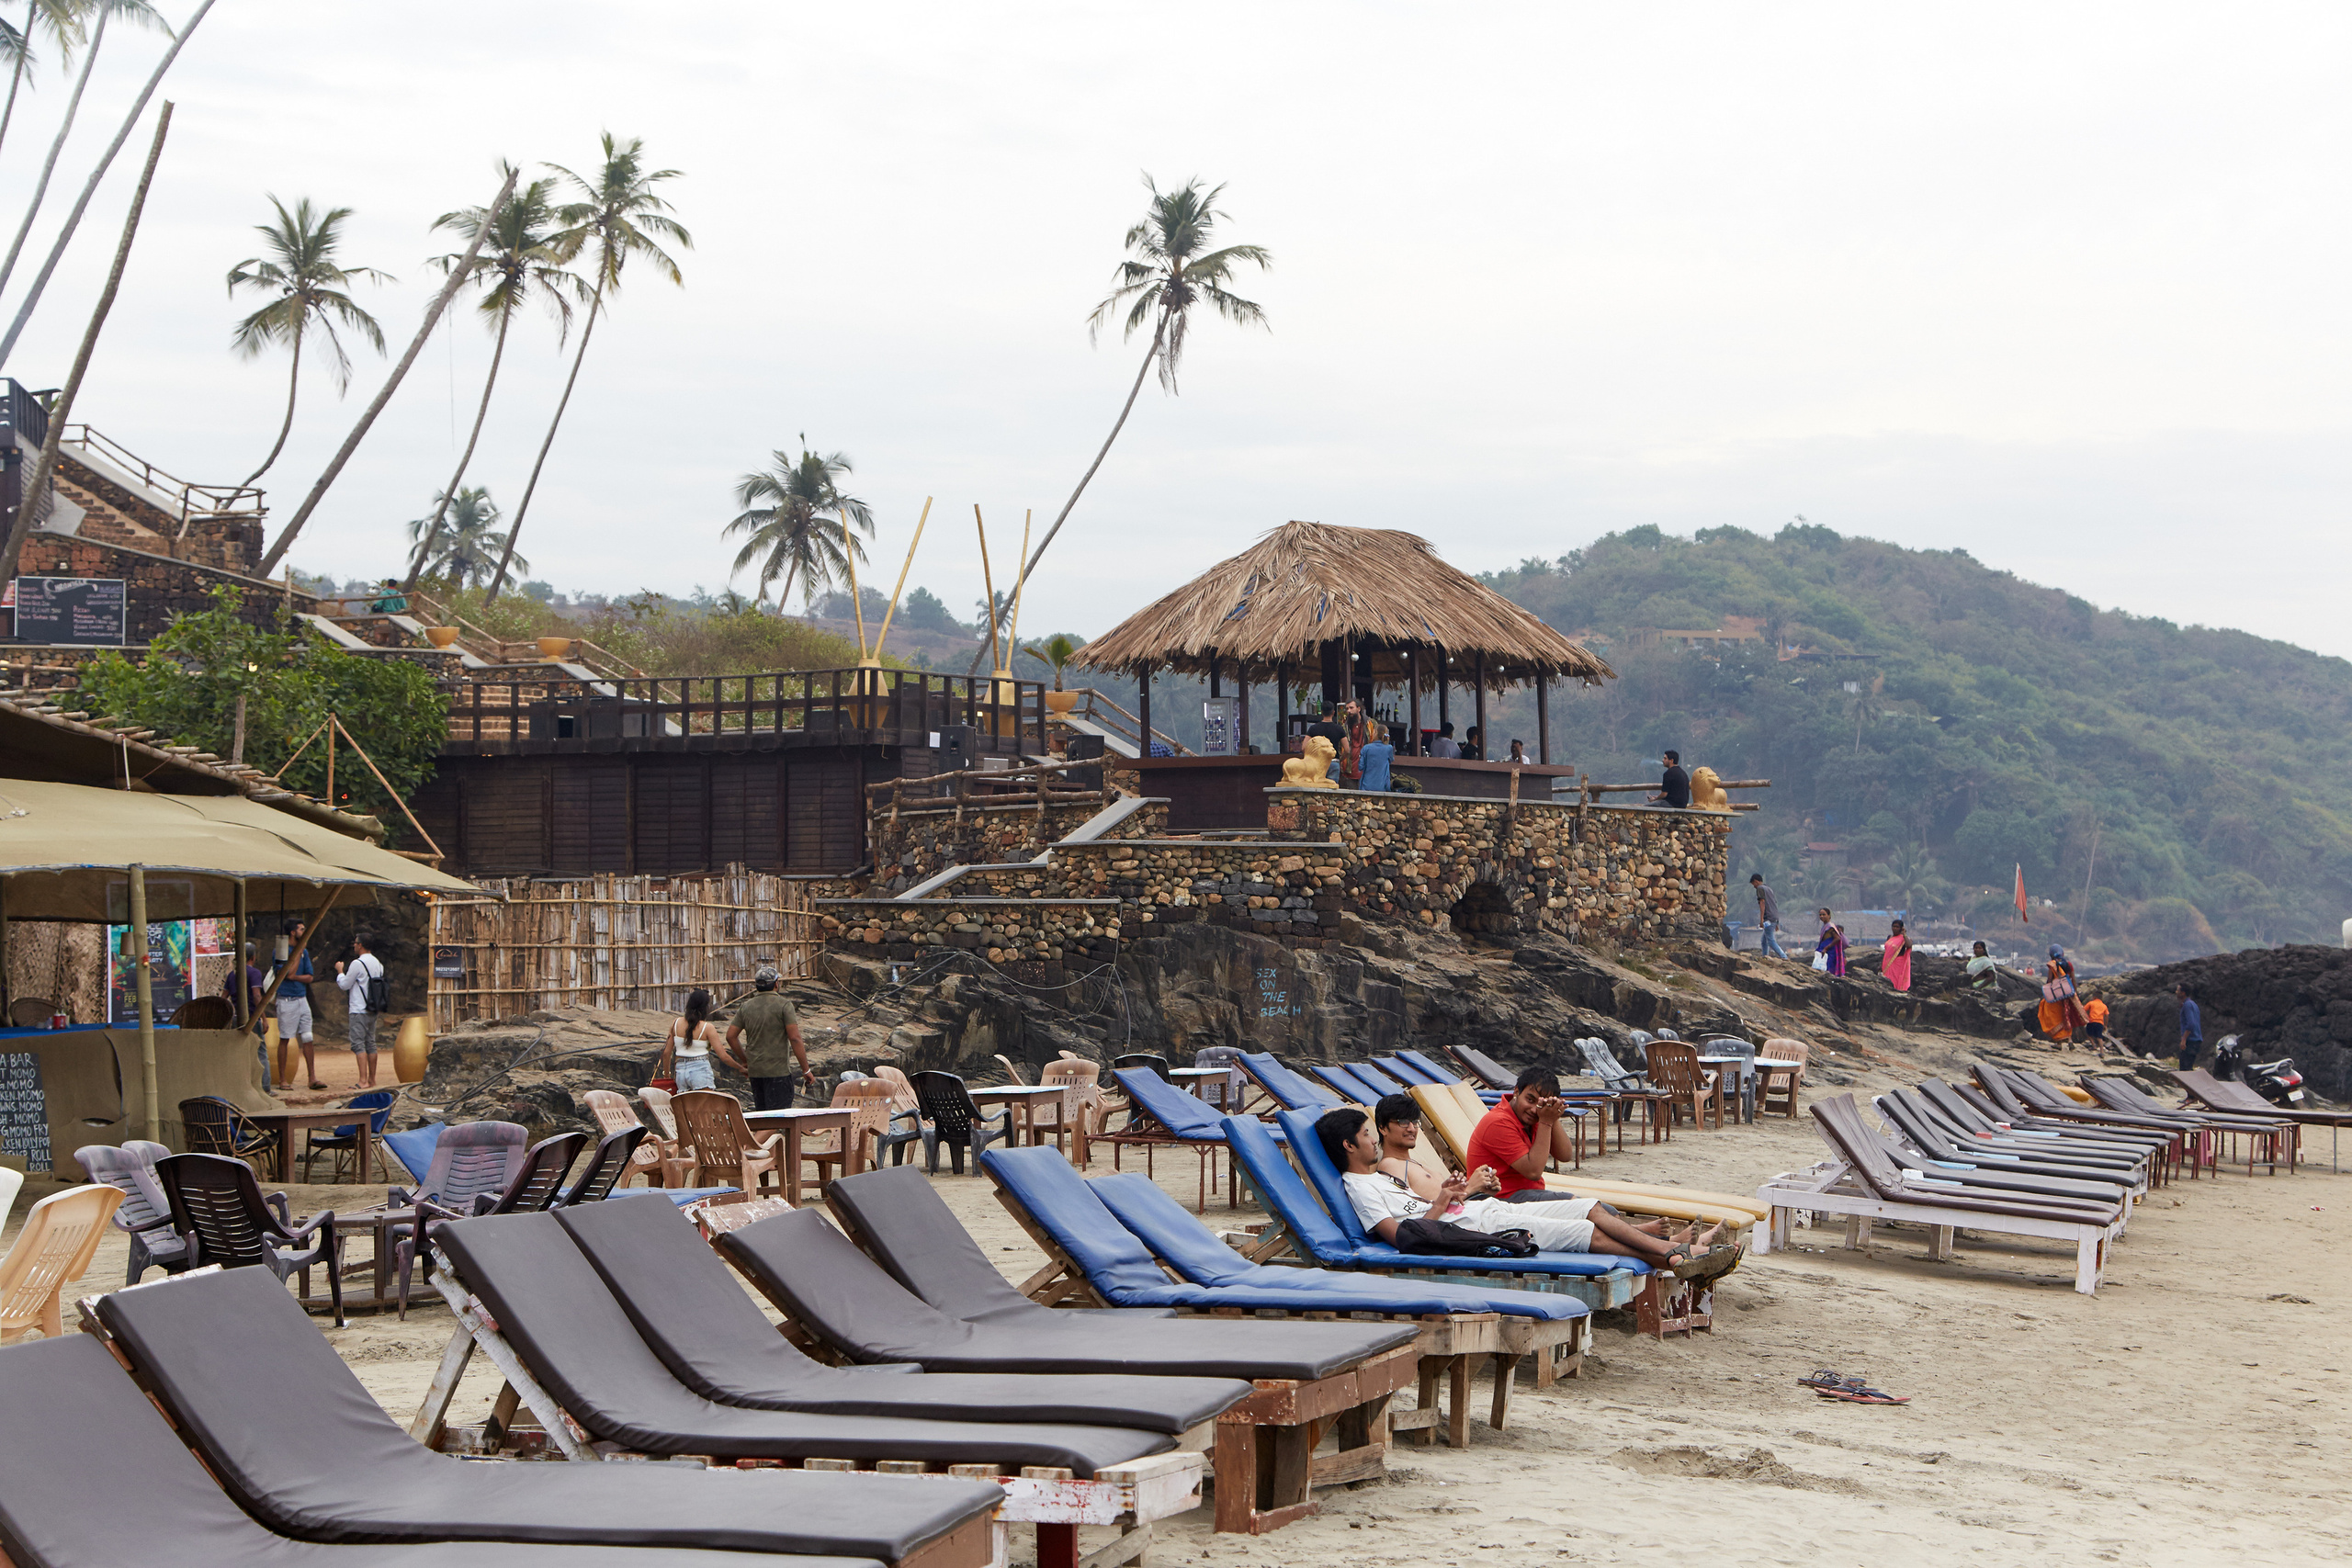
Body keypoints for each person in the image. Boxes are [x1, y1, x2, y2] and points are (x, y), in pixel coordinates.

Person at [1318, 1106, 1726, 1271]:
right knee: (1588, 1233)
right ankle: (1676, 1255)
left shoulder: (1379, 1177)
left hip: (1487, 1213)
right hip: (1484, 1229)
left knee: (1592, 1208)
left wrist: (1455, 1194)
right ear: (1349, 1146)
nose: (1374, 1140)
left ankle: (1675, 1254)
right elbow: (1404, 1238)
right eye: (1368, 1135)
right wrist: (1444, 1201)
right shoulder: (1360, 1188)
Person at [1464, 1066, 1584, 1194]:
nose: (1533, 1109)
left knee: (1595, 1207)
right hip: (1501, 1199)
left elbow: (1564, 1155)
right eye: (1530, 1100)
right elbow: (1533, 1172)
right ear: (1516, 1092)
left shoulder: (1534, 1117)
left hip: (1525, 1195)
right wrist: (1546, 1121)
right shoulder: (1499, 1121)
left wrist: (1551, 1115)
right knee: (1590, 1209)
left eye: (1541, 1104)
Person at [727, 966, 809, 1111]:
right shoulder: (784, 1005)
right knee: (779, 1118)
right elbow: (795, 1038)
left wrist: (745, 1060)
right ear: (776, 984)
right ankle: (754, 1136)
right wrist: (806, 1070)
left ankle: (758, 1135)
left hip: (756, 1072)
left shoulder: (746, 1007)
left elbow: (730, 1036)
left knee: (763, 1116)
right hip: (778, 1071)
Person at [333, 932, 386, 1089]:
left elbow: (345, 985)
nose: (354, 945)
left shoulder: (357, 963)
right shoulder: (378, 964)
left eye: (356, 943)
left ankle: (362, 1080)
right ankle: (372, 1079)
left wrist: (340, 971)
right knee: (371, 1043)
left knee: (358, 1044)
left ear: (361, 945)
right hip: (373, 1008)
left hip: (358, 1008)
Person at [277, 919, 322, 1089]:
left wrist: (295, 977)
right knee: (285, 1038)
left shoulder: (305, 952)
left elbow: (309, 976)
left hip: (302, 999)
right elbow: (288, 971)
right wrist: (297, 954)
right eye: (301, 930)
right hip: (287, 999)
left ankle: (312, 1077)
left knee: (308, 1037)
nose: (304, 932)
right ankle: (282, 1079)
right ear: (293, 933)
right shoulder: (282, 950)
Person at [660, 987, 730, 1092]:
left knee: (687, 1107)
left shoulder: (676, 1023)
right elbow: (721, 1055)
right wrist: (740, 1067)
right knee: (705, 1106)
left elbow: (666, 1053)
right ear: (705, 1007)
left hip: (681, 1072)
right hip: (700, 1069)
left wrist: (667, 1075)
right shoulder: (707, 1027)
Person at [2037, 945, 2083, 1043]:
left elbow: (2049, 980)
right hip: (2067, 993)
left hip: (2056, 995)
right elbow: (2073, 980)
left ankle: (2059, 1043)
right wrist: (2075, 993)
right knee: (2066, 1015)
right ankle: (2070, 1040)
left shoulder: (2052, 964)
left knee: (2055, 1017)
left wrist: (2046, 993)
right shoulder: (2069, 964)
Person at [1748, 873, 1788, 959]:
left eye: (1753, 884)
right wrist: (1777, 922)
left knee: (1770, 940)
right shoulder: (1769, 889)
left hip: (1768, 918)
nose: (1754, 886)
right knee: (1764, 940)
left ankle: (1784, 956)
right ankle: (1765, 956)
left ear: (1756, 881)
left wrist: (1761, 919)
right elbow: (1774, 904)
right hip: (1774, 917)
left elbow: (1762, 903)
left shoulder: (1760, 888)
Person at [1356, 721, 1395, 794]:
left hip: (1366, 786)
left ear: (1375, 734)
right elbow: (1391, 759)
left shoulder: (1366, 748)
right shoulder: (1389, 748)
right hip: (1382, 786)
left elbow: (1360, 766)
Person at [2176, 983, 2203, 1070]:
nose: (2176, 992)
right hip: (2195, 1041)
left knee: (2185, 1069)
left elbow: (2191, 1024)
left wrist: (2184, 1039)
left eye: (2178, 990)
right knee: (2188, 1067)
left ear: (2183, 993)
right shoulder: (2192, 1004)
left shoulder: (2187, 1005)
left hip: (2191, 1041)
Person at [1881, 918, 1913, 992]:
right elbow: (1887, 951)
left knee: (1895, 981)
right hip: (1887, 962)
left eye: (1897, 927)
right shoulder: (1889, 937)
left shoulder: (1903, 938)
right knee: (1886, 981)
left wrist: (1904, 934)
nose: (1895, 928)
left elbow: (1909, 945)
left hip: (1898, 963)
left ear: (1901, 928)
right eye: (1893, 926)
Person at [1814, 908, 1846, 976]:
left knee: (1830, 968)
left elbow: (1837, 938)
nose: (1822, 916)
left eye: (1824, 914)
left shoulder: (1830, 927)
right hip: (1825, 950)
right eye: (1820, 915)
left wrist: (1826, 948)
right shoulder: (1825, 926)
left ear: (1829, 915)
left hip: (1830, 951)